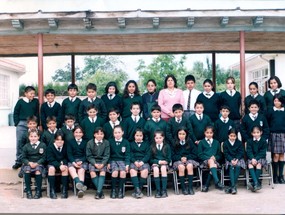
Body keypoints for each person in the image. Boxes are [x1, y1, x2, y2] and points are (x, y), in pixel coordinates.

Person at [13, 85, 39, 170]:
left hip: (32, 124)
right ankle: (19, 161)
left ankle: (30, 160)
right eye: (31, 93)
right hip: (22, 123)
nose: (32, 95)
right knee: (20, 142)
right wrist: (17, 123)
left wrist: (36, 124)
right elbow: (16, 112)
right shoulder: (20, 101)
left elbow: (37, 113)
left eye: (33, 94)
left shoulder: (35, 101)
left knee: (32, 141)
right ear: (26, 93)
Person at [172, 127, 199, 195]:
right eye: (180, 134)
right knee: (181, 167)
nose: (181, 136)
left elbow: (195, 154)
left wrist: (186, 158)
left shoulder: (190, 142)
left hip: (188, 159)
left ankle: (190, 188)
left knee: (190, 166)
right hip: (178, 160)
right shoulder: (174, 143)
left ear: (186, 134)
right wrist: (180, 158)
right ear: (177, 135)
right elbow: (172, 156)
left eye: (183, 134)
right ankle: (183, 188)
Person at [86, 127, 110, 199]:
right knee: (92, 172)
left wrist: (103, 163)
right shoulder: (89, 143)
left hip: (102, 161)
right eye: (97, 134)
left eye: (101, 134)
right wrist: (95, 163)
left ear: (103, 135)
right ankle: (100, 192)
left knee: (102, 171)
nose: (99, 135)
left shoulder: (106, 143)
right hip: (93, 161)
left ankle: (98, 192)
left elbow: (107, 155)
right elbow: (89, 156)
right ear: (94, 135)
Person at [22, 129, 46, 199]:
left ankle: (38, 191)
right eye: (31, 136)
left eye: (35, 136)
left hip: (38, 164)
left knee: (38, 171)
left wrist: (37, 163)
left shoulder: (42, 145)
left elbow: (44, 157)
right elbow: (23, 158)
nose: (33, 138)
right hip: (29, 164)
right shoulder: (26, 146)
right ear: (29, 137)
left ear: (38, 137)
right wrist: (29, 163)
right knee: (27, 170)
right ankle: (29, 191)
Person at [198, 125, 224, 192]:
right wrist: (209, 158)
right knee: (211, 162)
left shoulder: (216, 142)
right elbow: (200, 155)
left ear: (213, 133)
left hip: (214, 162)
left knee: (213, 164)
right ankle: (217, 182)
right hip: (204, 162)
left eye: (211, 133)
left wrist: (215, 158)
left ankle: (206, 186)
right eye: (207, 132)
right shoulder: (201, 142)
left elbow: (219, 155)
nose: (209, 134)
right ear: (204, 133)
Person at [266, 93, 285, 184]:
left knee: (282, 155)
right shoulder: (270, 111)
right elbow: (267, 122)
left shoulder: (284, 110)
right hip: (274, 134)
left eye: (278, 100)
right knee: (276, 155)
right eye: (275, 100)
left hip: (283, 134)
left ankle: (281, 176)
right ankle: (275, 176)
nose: (276, 102)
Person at [108, 125, 130, 199]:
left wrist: (127, 164)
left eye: (119, 132)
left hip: (122, 160)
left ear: (122, 133)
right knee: (115, 172)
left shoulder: (126, 142)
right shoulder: (110, 141)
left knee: (123, 172)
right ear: (113, 133)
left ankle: (120, 190)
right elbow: (108, 154)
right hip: (113, 160)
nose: (117, 134)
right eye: (115, 132)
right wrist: (108, 162)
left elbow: (127, 154)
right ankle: (113, 190)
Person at [46, 130, 69, 199]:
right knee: (51, 169)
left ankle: (64, 190)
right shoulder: (50, 147)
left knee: (65, 169)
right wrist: (59, 165)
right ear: (54, 140)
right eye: (58, 139)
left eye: (62, 140)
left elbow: (67, 157)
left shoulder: (65, 147)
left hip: (62, 164)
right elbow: (50, 159)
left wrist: (63, 163)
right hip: (52, 164)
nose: (60, 141)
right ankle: (52, 190)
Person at [67, 126, 88, 198]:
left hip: (82, 161)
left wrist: (81, 161)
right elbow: (69, 154)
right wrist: (74, 163)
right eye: (76, 132)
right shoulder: (70, 142)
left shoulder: (85, 142)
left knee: (81, 171)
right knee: (71, 169)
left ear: (82, 134)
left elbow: (86, 154)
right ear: (73, 133)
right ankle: (80, 186)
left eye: (80, 132)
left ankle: (79, 187)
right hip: (73, 160)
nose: (78, 134)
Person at [223, 128, 246, 194]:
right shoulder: (225, 143)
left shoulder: (239, 143)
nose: (232, 137)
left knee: (238, 166)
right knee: (231, 167)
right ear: (228, 135)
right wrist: (231, 160)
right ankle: (233, 186)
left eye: (234, 136)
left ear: (236, 136)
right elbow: (226, 153)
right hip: (229, 159)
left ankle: (231, 186)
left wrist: (236, 159)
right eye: (231, 136)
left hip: (238, 158)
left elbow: (241, 152)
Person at [129, 128, 151, 198]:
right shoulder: (131, 144)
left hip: (143, 161)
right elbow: (130, 154)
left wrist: (142, 161)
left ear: (143, 136)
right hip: (134, 161)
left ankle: (138, 189)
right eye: (137, 135)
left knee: (145, 171)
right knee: (132, 170)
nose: (138, 137)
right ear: (134, 136)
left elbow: (148, 154)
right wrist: (134, 161)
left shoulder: (146, 144)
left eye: (140, 136)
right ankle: (138, 190)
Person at [150, 130, 171, 198]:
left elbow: (169, 158)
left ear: (163, 138)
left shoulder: (167, 146)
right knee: (156, 169)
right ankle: (158, 190)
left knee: (163, 168)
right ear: (154, 138)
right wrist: (158, 162)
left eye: (160, 138)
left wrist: (165, 162)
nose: (158, 139)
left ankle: (164, 190)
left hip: (164, 164)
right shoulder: (152, 147)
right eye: (156, 138)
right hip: (155, 164)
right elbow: (150, 159)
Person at [246, 126, 268, 192]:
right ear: (252, 133)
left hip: (260, 158)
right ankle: (256, 183)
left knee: (259, 165)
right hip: (251, 158)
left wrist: (256, 159)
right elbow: (249, 151)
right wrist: (252, 158)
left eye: (257, 132)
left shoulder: (263, 141)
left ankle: (254, 183)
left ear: (261, 132)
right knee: (250, 165)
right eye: (254, 133)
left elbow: (263, 152)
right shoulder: (249, 141)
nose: (256, 134)